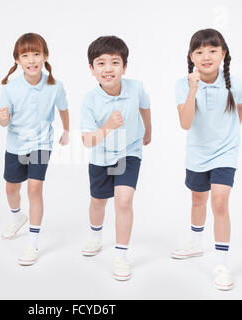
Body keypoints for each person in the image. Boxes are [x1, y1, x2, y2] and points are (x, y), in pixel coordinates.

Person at [171, 29, 242, 291]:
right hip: (197, 153)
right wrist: (193, 89)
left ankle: (222, 264)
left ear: (223, 54)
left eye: (213, 50)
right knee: (197, 199)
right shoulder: (183, 84)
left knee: (219, 202)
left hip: (225, 152)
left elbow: (241, 108)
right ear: (191, 56)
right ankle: (195, 243)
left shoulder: (234, 84)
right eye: (200, 51)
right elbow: (185, 123)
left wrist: (229, 134)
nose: (207, 56)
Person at [80, 36, 152, 281]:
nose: (108, 69)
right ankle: (95, 235)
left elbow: (145, 106)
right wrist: (109, 126)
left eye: (115, 62)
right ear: (92, 69)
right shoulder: (89, 100)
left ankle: (121, 255)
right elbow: (87, 140)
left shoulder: (136, 88)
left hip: (129, 151)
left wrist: (148, 130)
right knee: (98, 202)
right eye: (101, 63)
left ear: (125, 67)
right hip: (100, 155)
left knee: (123, 201)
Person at [0, 33, 70, 266]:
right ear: (17, 60)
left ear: (45, 56)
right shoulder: (10, 87)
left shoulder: (55, 85)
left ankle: (33, 242)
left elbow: (63, 109)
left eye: (36, 54)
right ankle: (17, 216)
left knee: (35, 188)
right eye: (25, 55)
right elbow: (3, 122)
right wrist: (3, 118)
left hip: (41, 144)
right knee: (11, 189)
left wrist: (66, 130)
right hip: (15, 145)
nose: (31, 60)